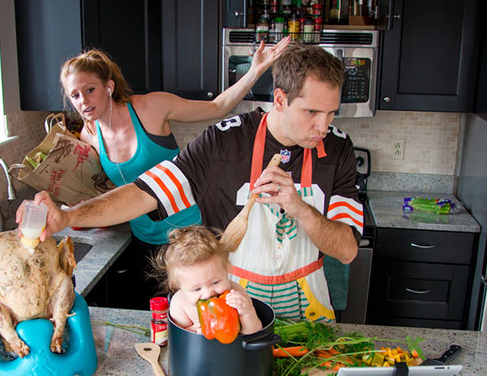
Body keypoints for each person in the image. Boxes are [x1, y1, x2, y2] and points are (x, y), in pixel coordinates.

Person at [22, 43, 362, 323]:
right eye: (312, 113)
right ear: (280, 100)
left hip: (308, 313)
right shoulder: (224, 143)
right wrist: (69, 216)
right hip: (233, 309)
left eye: (331, 113)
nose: (323, 127)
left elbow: (346, 251)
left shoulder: (338, 148)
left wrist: (300, 209)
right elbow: (143, 194)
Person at [59, 37, 290, 246]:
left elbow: (217, 107)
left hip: (190, 232)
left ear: (108, 87)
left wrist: (255, 71)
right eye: (75, 95)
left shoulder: (150, 108)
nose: (83, 101)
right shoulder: (89, 135)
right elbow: (97, 186)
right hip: (143, 237)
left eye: (90, 90)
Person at [151, 225, 262, 336]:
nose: (208, 293)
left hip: (235, 346)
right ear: (179, 286)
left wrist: (247, 312)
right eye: (197, 289)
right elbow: (177, 336)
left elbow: (254, 332)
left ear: (227, 269)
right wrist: (195, 330)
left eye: (215, 282)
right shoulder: (180, 304)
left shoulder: (237, 293)